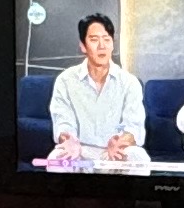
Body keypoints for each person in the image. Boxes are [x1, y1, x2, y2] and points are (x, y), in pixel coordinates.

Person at [43, 12, 150, 170]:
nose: (102, 46)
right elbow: (63, 121)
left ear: (112, 44)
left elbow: (133, 125)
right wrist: (70, 141)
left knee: (139, 157)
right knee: (56, 159)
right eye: (94, 40)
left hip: (115, 152)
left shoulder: (130, 82)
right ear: (83, 46)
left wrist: (120, 141)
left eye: (106, 39)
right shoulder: (65, 80)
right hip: (80, 152)